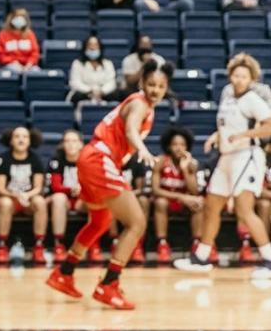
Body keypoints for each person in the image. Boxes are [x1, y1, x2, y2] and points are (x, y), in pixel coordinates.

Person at [46, 60, 171, 309]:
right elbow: (131, 131)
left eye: (160, 86)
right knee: (137, 223)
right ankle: (109, 284)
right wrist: (143, 150)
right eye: (151, 84)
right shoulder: (139, 103)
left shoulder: (145, 105)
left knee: (100, 221)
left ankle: (65, 271)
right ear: (141, 83)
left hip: (93, 158)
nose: (155, 90)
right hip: (99, 160)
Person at [176, 53, 271, 280]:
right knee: (212, 205)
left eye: (243, 76)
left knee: (244, 210)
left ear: (251, 79)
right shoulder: (227, 96)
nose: (238, 79)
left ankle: (269, 258)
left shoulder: (253, 100)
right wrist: (214, 137)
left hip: (246, 156)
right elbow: (226, 125)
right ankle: (202, 257)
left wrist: (243, 135)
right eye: (235, 75)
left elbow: (268, 127)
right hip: (226, 157)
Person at [0, 127, 47, 264]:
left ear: (30, 141)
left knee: (40, 201)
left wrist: (27, 195)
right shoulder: (3, 159)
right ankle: (2, 246)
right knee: (5, 203)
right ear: (11, 141)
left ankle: (39, 246)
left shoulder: (35, 159)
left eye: (25, 137)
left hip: (28, 199)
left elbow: (38, 187)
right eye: (17, 136)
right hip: (10, 198)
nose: (21, 139)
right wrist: (16, 195)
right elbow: (0, 188)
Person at [151, 126, 203, 263]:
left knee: (199, 203)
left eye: (182, 144)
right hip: (168, 201)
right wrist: (181, 197)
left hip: (184, 203)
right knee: (160, 202)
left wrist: (185, 169)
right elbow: (155, 190)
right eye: (175, 144)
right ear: (168, 146)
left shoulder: (192, 164)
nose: (178, 148)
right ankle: (162, 244)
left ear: (187, 147)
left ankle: (197, 243)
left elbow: (194, 191)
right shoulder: (160, 162)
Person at [49, 130, 87, 262]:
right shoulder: (57, 160)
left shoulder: (88, 160)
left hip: (82, 199)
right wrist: (72, 189)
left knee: (96, 199)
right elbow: (55, 186)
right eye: (67, 141)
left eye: (74, 141)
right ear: (63, 145)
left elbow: (94, 183)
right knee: (59, 198)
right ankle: (58, 244)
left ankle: (94, 245)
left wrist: (83, 189)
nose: (71, 144)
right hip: (64, 199)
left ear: (81, 144)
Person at [108, 156, 152, 264]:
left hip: (132, 196)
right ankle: (115, 242)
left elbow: (140, 189)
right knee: (108, 200)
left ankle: (137, 245)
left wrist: (127, 195)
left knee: (143, 201)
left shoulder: (136, 160)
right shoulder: (108, 161)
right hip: (114, 196)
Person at [68, 35, 117, 104]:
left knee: (115, 95)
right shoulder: (77, 63)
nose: (92, 48)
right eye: (89, 45)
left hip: (103, 93)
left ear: (100, 47)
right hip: (84, 93)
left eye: (95, 45)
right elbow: (75, 83)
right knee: (77, 96)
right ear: (85, 48)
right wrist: (90, 90)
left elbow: (111, 82)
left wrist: (101, 91)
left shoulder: (108, 63)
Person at [118, 35, 165, 100]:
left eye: (147, 46)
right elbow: (129, 81)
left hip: (153, 87)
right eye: (143, 46)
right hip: (134, 89)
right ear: (138, 46)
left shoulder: (159, 60)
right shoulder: (128, 60)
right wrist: (144, 66)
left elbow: (162, 80)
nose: (145, 49)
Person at [0, 8, 40, 72]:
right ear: (11, 19)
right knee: (15, 69)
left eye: (22, 17)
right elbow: (0, 55)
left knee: (36, 71)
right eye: (17, 17)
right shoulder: (3, 34)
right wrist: (13, 62)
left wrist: (29, 65)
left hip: (28, 65)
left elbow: (35, 53)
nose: (19, 20)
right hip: (10, 65)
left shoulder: (30, 34)